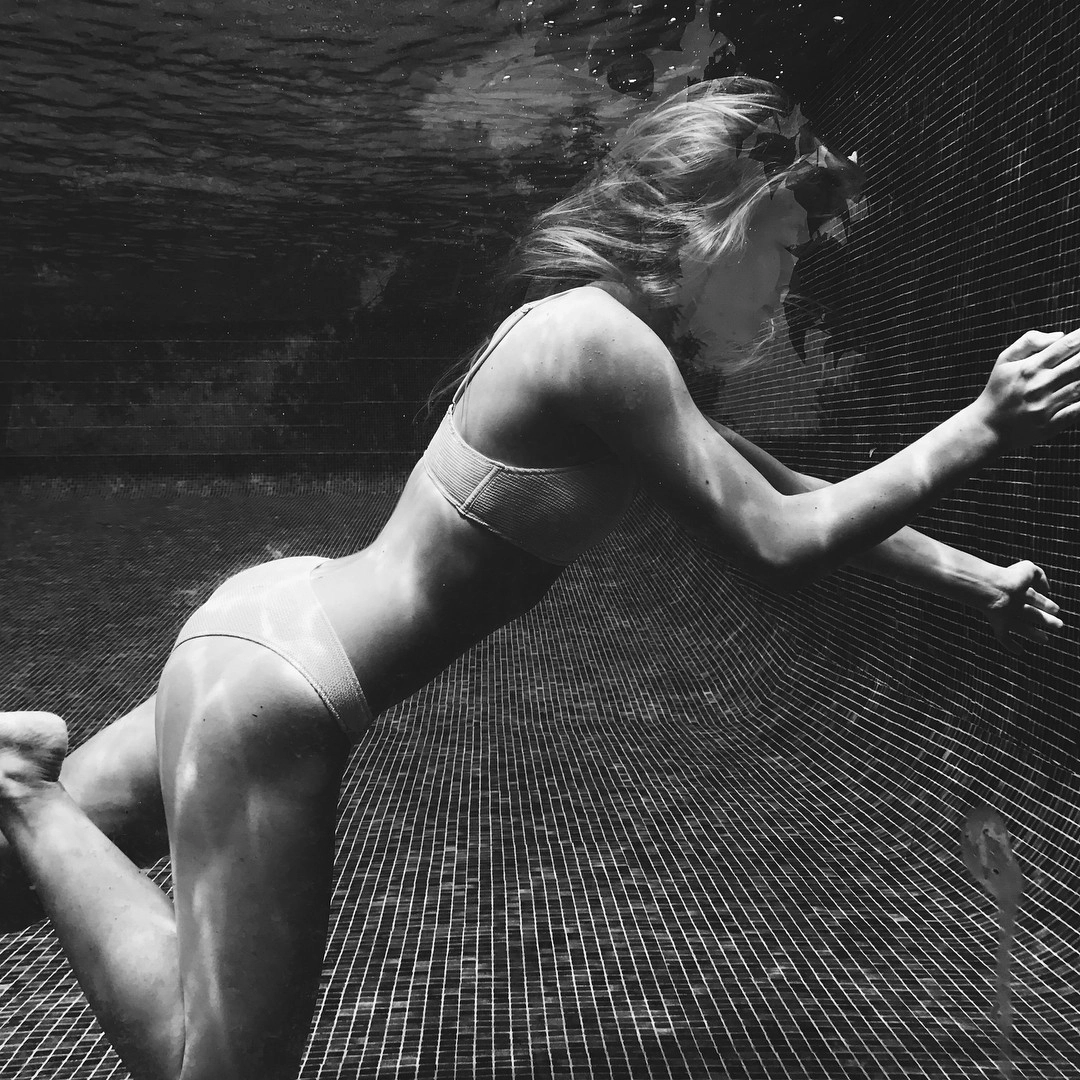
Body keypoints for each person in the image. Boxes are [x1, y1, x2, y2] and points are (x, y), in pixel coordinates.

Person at [1, 77, 1079, 1080]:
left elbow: (797, 490)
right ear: (716, 221)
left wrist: (974, 576)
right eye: (787, 248)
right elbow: (778, 540)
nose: (792, 283)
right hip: (281, 691)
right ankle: (25, 783)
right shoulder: (599, 344)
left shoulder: (611, 343)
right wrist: (982, 426)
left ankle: (19, 781)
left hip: (269, 629)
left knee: (8, 889)